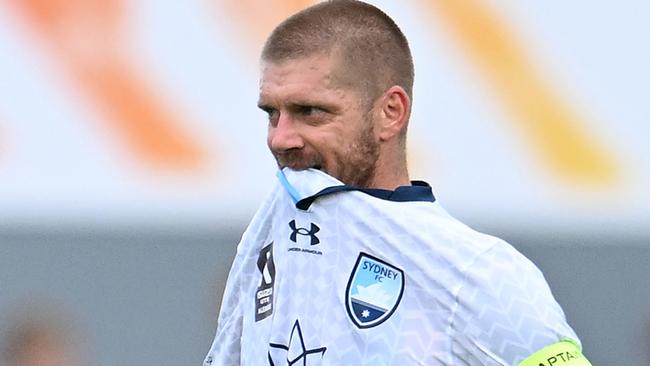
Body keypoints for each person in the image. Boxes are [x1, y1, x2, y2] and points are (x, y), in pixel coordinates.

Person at [204, 1, 592, 365]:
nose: (280, 138)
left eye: (310, 112)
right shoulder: (268, 235)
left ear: (391, 113)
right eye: (273, 113)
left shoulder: (480, 273)